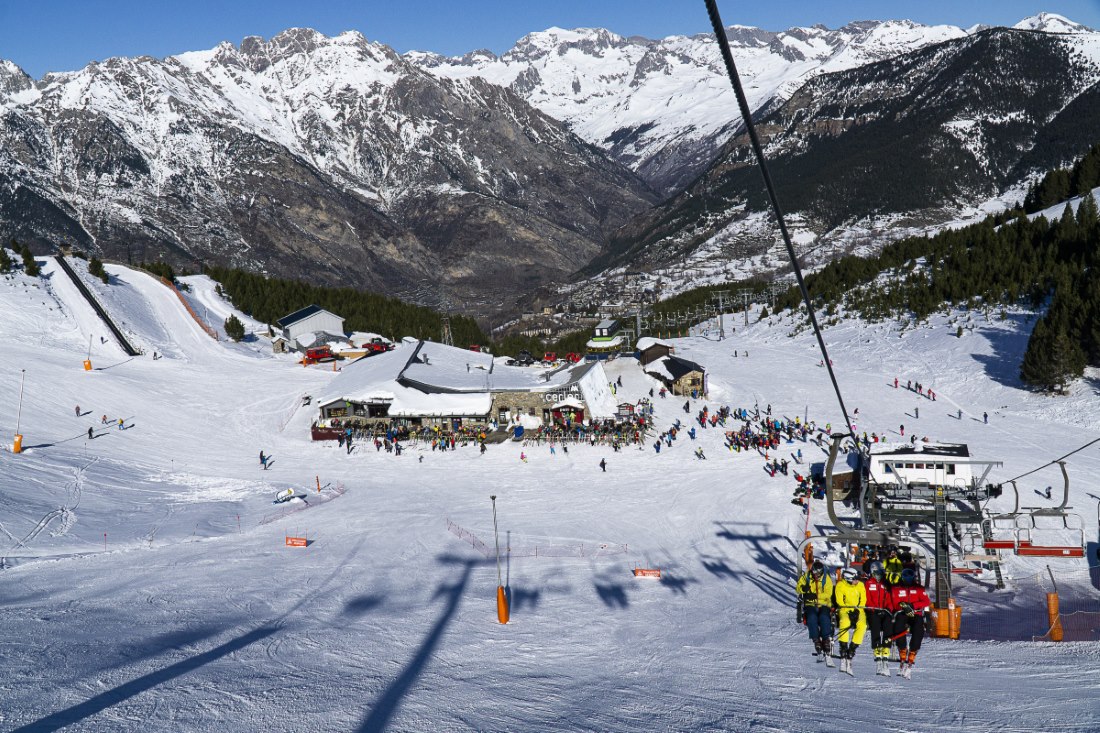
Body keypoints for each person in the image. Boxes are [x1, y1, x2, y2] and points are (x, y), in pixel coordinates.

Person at [890, 567, 931, 678]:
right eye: (905, 578)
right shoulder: (896, 589)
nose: (907, 581)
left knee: (919, 628)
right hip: (901, 613)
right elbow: (893, 602)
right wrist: (903, 607)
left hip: (915, 613)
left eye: (910, 579)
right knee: (898, 626)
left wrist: (913, 606)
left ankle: (913, 651)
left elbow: (926, 601)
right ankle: (902, 650)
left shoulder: (918, 589)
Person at [796, 560, 836, 667]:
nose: (816, 576)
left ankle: (826, 638)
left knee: (824, 617)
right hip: (810, 604)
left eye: (817, 574)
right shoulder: (807, 577)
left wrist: (815, 596)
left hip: (823, 603)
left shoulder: (826, 579)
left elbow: (828, 593)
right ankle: (816, 639)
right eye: (814, 573)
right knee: (811, 617)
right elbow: (798, 587)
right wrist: (803, 589)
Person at [834, 566, 867, 675]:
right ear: (848, 579)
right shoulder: (840, 585)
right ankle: (843, 648)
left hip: (859, 610)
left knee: (862, 625)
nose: (857, 581)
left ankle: (852, 648)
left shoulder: (860, 585)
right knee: (845, 622)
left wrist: (858, 609)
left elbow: (863, 599)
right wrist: (848, 610)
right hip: (845, 609)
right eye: (855, 579)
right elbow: (840, 601)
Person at [864, 561, 894, 676]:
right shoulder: (868, 583)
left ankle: (886, 649)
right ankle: (877, 649)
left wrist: (888, 609)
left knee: (888, 624)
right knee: (875, 625)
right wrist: (873, 609)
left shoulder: (886, 583)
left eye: (880, 573)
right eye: (876, 573)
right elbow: (867, 598)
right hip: (873, 610)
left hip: (885, 610)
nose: (878, 575)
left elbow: (889, 598)